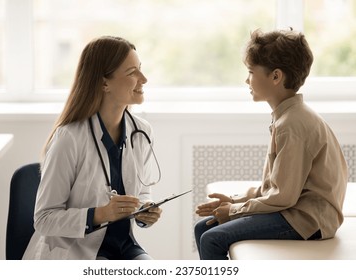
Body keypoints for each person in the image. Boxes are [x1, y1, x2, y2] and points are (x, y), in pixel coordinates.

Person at [194, 29, 348, 260]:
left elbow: (283, 197)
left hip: (308, 220)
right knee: (203, 227)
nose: (247, 80)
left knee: (211, 237)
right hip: (294, 210)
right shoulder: (287, 116)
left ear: (276, 77)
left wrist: (234, 211)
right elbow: (275, 186)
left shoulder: (293, 123)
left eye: (251, 72)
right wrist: (237, 201)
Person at [23, 36, 162, 260]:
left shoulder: (142, 131)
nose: (143, 79)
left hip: (124, 247)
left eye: (141, 70)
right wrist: (99, 214)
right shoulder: (69, 137)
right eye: (132, 73)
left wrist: (145, 210)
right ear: (104, 83)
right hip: (76, 251)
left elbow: (143, 191)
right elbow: (44, 219)